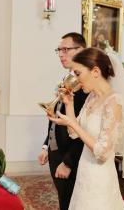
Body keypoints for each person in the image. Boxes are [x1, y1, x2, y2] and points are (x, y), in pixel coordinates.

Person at [49, 47, 124, 210]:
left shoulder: (114, 103)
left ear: (96, 71)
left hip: (100, 177)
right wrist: (69, 104)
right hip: (84, 173)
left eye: (78, 74)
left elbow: (103, 153)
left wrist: (73, 124)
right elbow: (73, 133)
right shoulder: (92, 98)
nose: (75, 80)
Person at [37, 32, 88, 210]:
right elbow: (56, 113)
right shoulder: (68, 78)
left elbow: (85, 129)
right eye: (58, 50)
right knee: (63, 199)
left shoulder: (87, 85)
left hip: (70, 155)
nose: (60, 54)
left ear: (81, 50)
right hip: (55, 150)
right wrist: (46, 146)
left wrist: (68, 162)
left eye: (65, 49)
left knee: (71, 202)